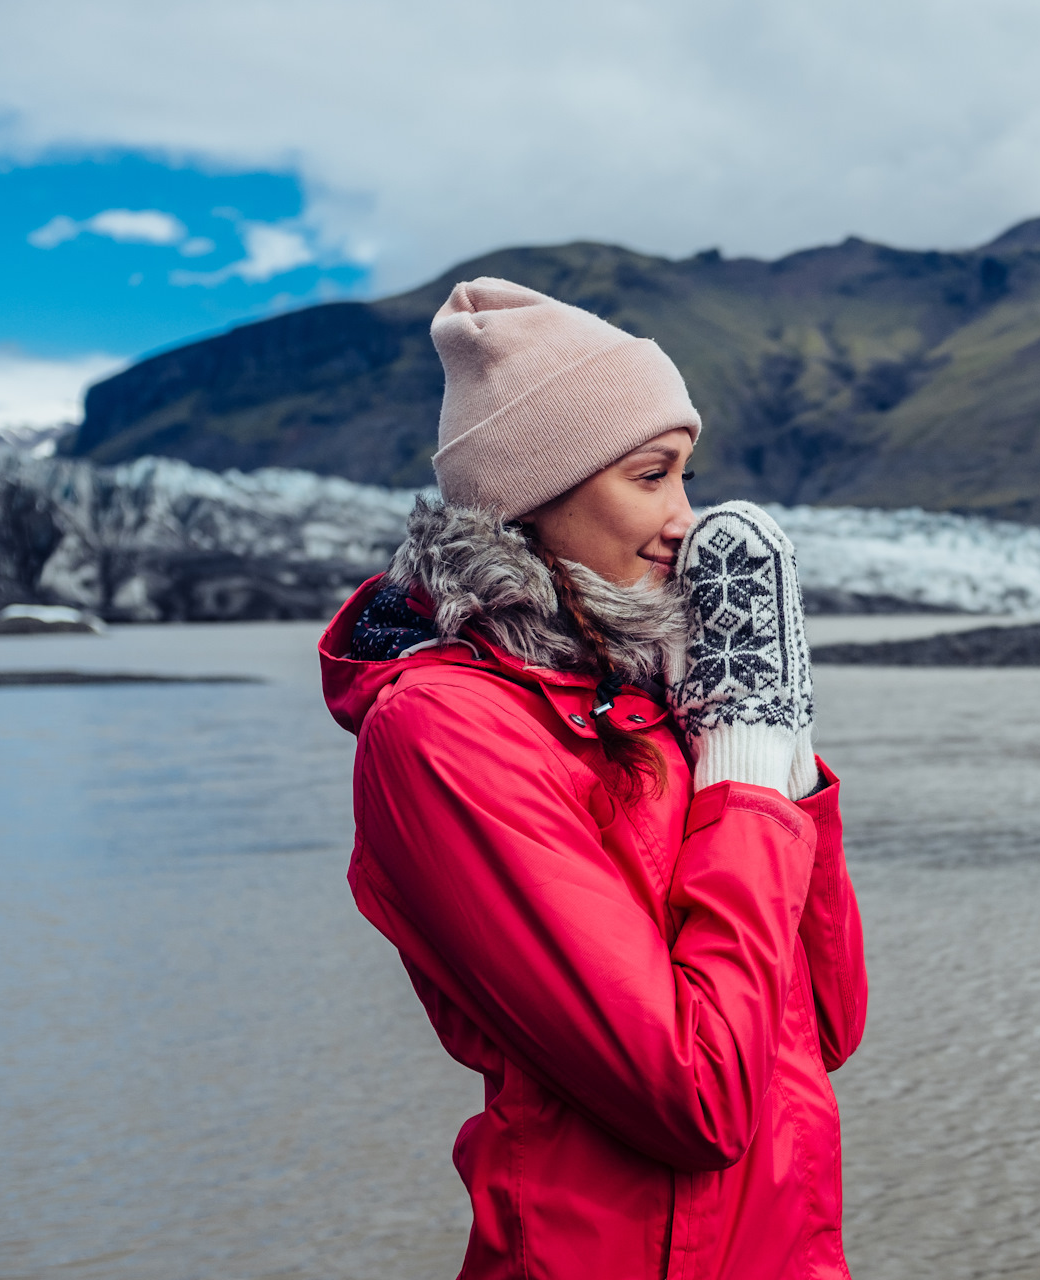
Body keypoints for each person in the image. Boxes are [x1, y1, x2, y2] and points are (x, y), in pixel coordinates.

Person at [317, 278, 868, 1280]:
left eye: (685, 478)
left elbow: (827, 1020)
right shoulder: (443, 732)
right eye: (651, 476)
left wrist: (784, 752)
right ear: (533, 494)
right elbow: (698, 1094)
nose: (684, 524)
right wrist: (744, 777)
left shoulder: (649, 700)